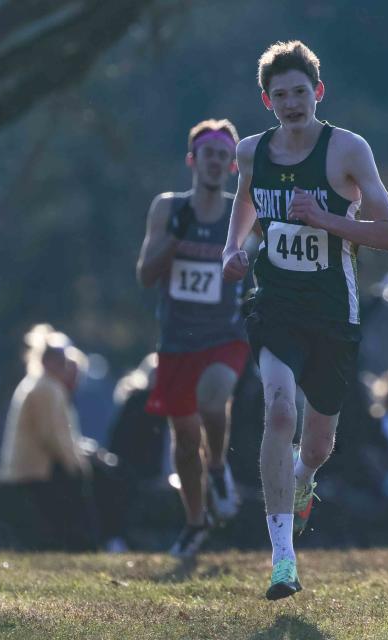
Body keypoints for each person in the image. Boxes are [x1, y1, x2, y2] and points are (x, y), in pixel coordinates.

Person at [221, 40, 388, 599]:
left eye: (301, 92)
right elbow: (245, 201)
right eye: (281, 95)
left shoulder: (347, 151)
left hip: (333, 312)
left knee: (318, 445)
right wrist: (234, 249)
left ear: (318, 93)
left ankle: (302, 482)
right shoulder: (252, 151)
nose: (292, 103)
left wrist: (324, 217)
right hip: (275, 304)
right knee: (278, 412)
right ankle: (283, 560)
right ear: (267, 100)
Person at [135, 119, 250, 558]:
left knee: (213, 396)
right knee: (184, 442)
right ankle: (195, 521)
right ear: (193, 160)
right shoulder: (168, 208)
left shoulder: (242, 211)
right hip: (177, 339)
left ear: (233, 166)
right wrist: (176, 237)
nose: (217, 162)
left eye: (225, 156)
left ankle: (218, 467)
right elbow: (146, 275)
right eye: (210, 154)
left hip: (225, 333)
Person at [0, 324, 90, 482]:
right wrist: (76, 466)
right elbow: (51, 435)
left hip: (28, 473)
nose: (63, 364)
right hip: (34, 475)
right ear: (46, 360)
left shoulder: (41, 384)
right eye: (58, 359)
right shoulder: (46, 388)